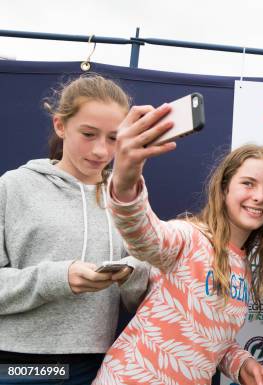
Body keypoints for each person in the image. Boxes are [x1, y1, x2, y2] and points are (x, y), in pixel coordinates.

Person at [92, 104, 263, 385]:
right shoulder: (189, 237)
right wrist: (125, 176)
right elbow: (143, 236)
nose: (259, 197)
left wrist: (241, 363)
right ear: (225, 188)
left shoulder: (244, 267)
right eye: (248, 184)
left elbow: (212, 340)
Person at [0, 74, 150, 384]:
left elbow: (140, 295)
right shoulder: (12, 187)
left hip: (96, 364)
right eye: (88, 134)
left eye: (113, 138)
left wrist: (132, 271)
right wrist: (58, 278)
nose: (100, 150)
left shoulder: (124, 197)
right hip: (16, 363)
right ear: (60, 125)